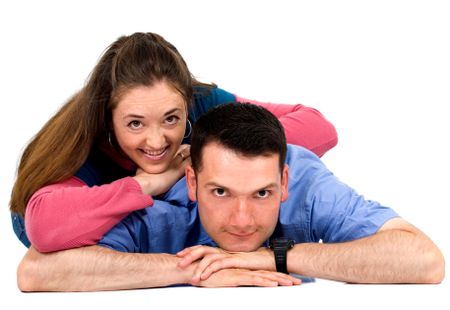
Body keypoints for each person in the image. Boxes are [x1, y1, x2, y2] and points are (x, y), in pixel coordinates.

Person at [17, 103, 444, 291]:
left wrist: (273, 257)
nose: (242, 219)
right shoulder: (160, 203)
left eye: (262, 193)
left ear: (285, 181)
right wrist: (191, 271)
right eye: (221, 192)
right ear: (193, 182)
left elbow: (423, 260)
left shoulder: (307, 184)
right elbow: (35, 272)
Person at [9, 32, 338, 252]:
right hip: (75, 220)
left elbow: (319, 129)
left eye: (171, 118)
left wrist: (204, 151)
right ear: (109, 119)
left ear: (187, 101)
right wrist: (150, 183)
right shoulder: (86, 143)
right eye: (135, 123)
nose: (157, 140)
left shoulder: (202, 103)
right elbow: (42, 225)